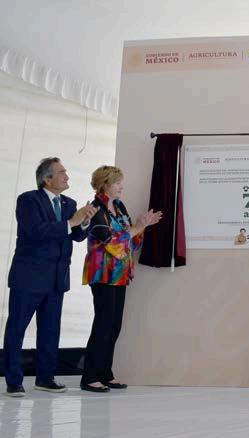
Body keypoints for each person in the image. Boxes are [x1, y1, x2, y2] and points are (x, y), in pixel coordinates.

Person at [3, 157, 97, 397]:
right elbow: (36, 232)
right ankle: (13, 381)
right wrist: (72, 221)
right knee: (17, 329)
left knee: (50, 331)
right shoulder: (28, 200)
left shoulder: (69, 203)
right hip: (29, 277)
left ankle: (45, 378)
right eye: (61, 172)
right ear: (47, 179)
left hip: (56, 278)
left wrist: (84, 222)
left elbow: (75, 236)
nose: (67, 176)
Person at [80, 165, 162, 392]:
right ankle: (90, 376)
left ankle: (105, 373)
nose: (121, 186)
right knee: (103, 324)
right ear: (104, 184)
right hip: (103, 274)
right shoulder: (96, 209)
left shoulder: (119, 206)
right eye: (117, 182)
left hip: (120, 274)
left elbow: (130, 241)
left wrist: (141, 227)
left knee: (115, 325)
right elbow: (112, 242)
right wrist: (137, 227)